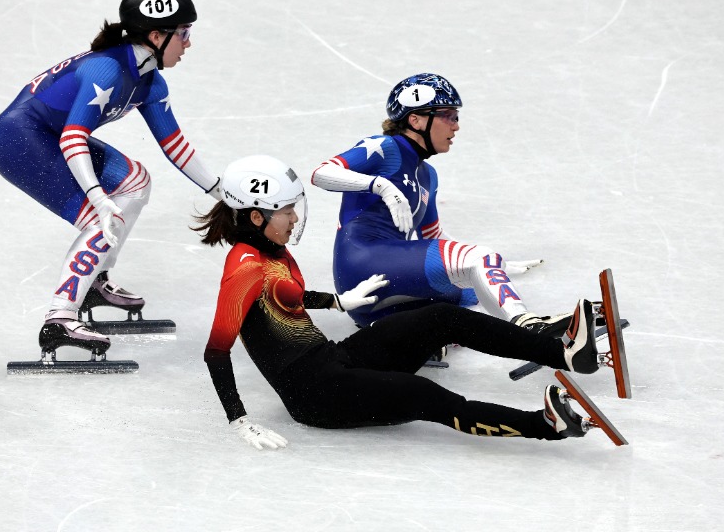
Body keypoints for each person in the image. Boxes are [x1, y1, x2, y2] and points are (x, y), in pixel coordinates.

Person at [195, 155, 603, 450]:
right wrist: (239, 419)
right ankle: (546, 426)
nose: (295, 218)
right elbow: (217, 351)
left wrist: (338, 301)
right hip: (316, 395)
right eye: (286, 211)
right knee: (425, 395)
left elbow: (282, 296)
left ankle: (566, 354)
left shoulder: (272, 251)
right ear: (255, 217)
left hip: (333, 360)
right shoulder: (243, 268)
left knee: (441, 317)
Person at [0, 0, 222, 358]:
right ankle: (60, 318)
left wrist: (222, 192)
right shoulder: (107, 70)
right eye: (184, 33)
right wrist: (97, 197)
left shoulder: (149, 80)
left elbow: (174, 146)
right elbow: (72, 139)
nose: (188, 43)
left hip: (51, 135)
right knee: (100, 220)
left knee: (136, 182)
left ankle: (93, 280)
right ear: (156, 35)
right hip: (18, 142)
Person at [311, 73, 571, 336]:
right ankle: (530, 329)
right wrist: (381, 186)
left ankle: (415, 341)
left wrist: (494, 264)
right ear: (416, 119)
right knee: (477, 261)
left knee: (474, 291)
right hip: (363, 267)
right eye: (449, 116)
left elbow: (432, 235)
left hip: (380, 300)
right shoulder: (385, 147)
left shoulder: (428, 176)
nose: (456, 126)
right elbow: (321, 173)